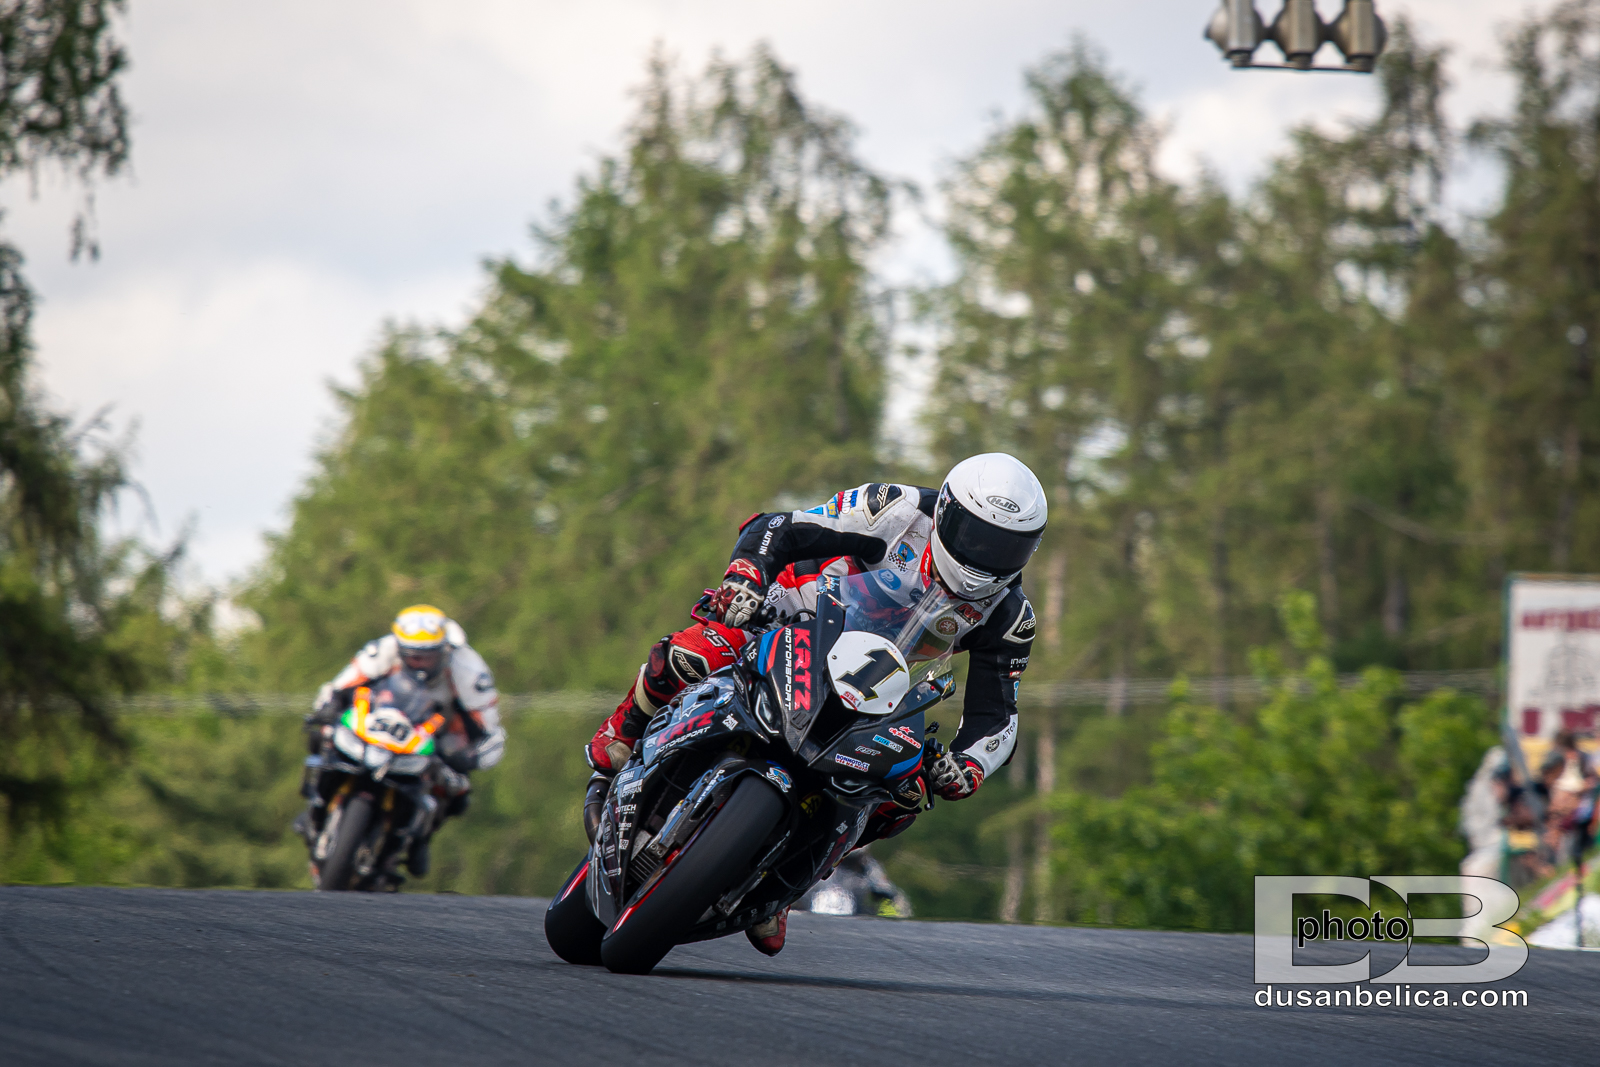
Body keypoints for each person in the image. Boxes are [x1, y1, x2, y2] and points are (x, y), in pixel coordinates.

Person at [585, 453, 1046, 954]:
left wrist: (968, 764)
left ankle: (788, 880)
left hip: (879, 691)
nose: (984, 557)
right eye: (976, 537)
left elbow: (998, 715)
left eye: (1006, 546)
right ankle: (623, 731)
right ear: (946, 512)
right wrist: (747, 574)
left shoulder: (1010, 615)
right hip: (795, 615)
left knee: (902, 796)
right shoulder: (893, 509)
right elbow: (778, 528)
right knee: (692, 655)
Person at [297, 604, 507, 877]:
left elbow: (489, 729)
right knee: (323, 734)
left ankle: (420, 839)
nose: (418, 662)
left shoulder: (469, 670)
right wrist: (327, 708)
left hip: (438, 730)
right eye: (412, 655)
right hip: (379, 719)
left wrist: (472, 755)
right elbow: (338, 686)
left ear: (444, 650)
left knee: (457, 788)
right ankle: (315, 808)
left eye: (427, 656)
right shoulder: (384, 649)